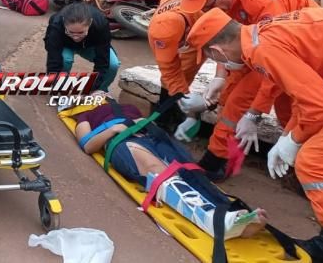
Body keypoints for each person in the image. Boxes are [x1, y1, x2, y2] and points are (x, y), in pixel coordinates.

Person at [186, 6, 323, 263]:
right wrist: (289, 135)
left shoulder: (262, 49)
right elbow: (304, 95)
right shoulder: (264, 33)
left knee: (317, 162)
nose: (223, 66)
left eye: (217, 61)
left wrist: (293, 140)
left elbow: (321, 104)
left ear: (217, 51)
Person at [175, 0, 316, 179]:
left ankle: (305, 167)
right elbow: (224, 35)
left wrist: (254, 114)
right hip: (254, 40)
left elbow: (272, 72)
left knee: (274, 106)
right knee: (230, 96)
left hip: (301, 43)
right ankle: (225, 158)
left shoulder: (267, 7)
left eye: (208, 5)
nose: (206, 11)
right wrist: (220, 76)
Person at [71, 98, 269, 240]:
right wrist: (113, 130)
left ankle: (229, 211)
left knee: (188, 170)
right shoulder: (85, 115)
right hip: (120, 141)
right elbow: (88, 145)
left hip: (150, 135)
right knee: (156, 169)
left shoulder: (127, 106)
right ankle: (212, 221)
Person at [147, 0, 204, 128]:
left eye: (178, 44)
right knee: (169, 69)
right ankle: (165, 114)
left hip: (199, 23)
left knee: (187, 68)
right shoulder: (156, 28)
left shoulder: (205, 17)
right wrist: (181, 94)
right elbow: (167, 67)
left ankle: (176, 109)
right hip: (180, 14)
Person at [44, 2, 119, 92]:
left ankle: (100, 90)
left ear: (90, 23)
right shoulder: (56, 24)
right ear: (64, 23)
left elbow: (103, 62)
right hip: (66, 45)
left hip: (90, 44)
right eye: (71, 32)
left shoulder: (101, 23)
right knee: (64, 60)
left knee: (112, 64)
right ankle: (60, 87)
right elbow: (53, 61)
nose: (76, 37)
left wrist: (95, 87)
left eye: (80, 32)